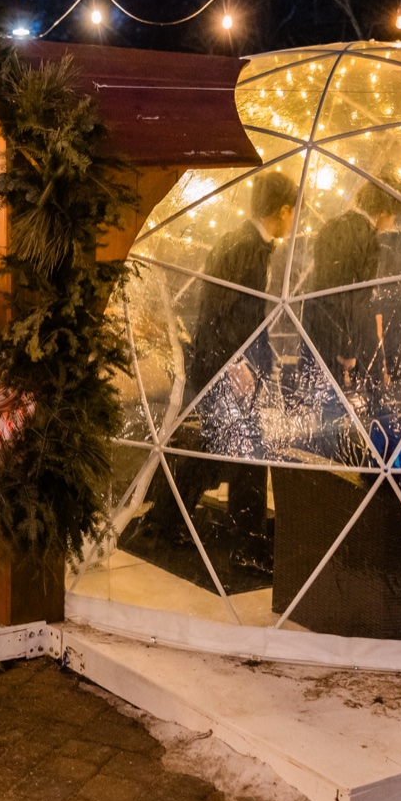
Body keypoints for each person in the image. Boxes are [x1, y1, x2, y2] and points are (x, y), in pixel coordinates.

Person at [125, 173, 296, 567]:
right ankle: (247, 548)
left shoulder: (243, 242)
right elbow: (228, 314)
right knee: (248, 457)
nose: (294, 221)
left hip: (222, 366)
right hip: (227, 370)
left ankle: (163, 522)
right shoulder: (248, 248)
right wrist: (239, 366)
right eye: (293, 212)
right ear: (283, 210)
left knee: (210, 452)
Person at [298, 179, 401, 396]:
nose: (392, 223)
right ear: (383, 212)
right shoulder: (368, 240)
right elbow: (356, 298)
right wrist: (348, 349)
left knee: (315, 394)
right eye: (394, 216)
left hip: (315, 323)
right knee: (339, 401)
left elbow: (325, 283)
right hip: (340, 331)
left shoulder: (331, 225)